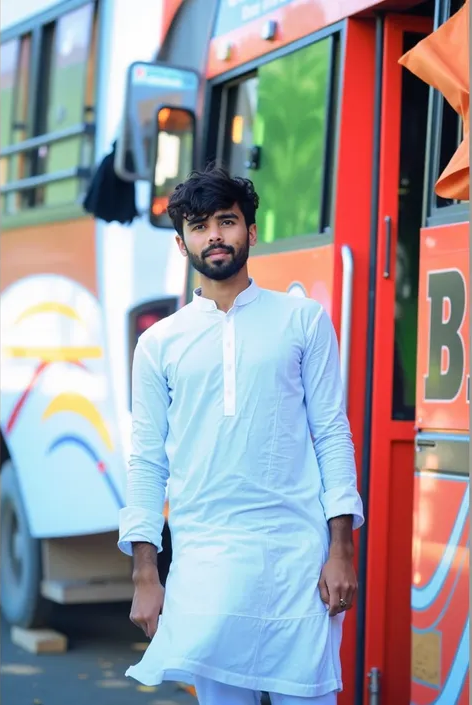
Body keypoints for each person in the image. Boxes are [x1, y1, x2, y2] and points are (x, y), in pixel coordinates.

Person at [118, 165, 364, 705]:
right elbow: (146, 461)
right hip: (207, 563)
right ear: (183, 244)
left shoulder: (303, 321)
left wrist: (341, 549)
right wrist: (144, 574)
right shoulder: (160, 343)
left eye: (226, 222)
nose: (215, 237)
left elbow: (331, 435)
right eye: (199, 226)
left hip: (298, 559)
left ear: (251, 232)